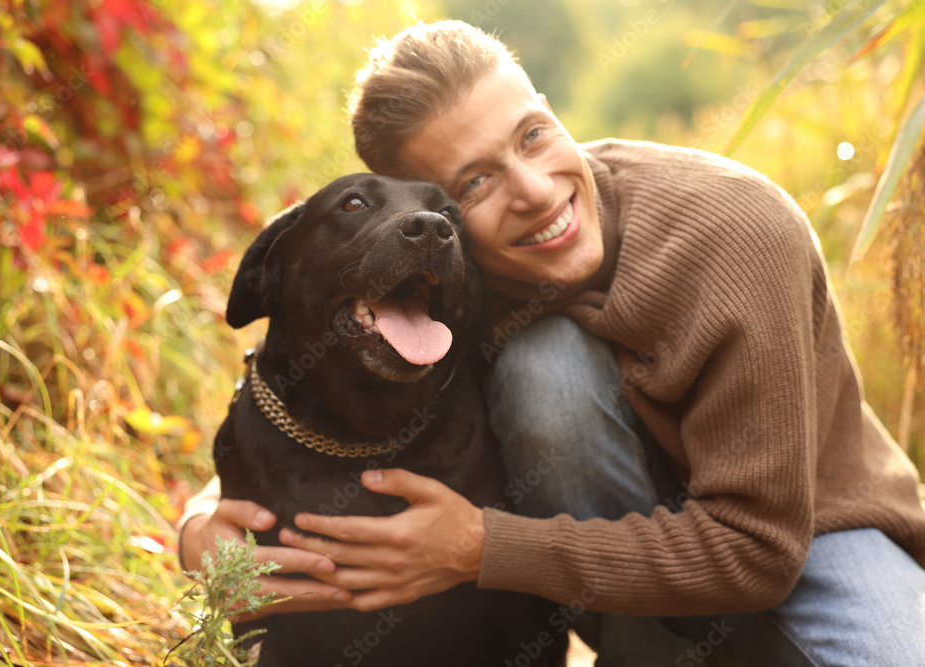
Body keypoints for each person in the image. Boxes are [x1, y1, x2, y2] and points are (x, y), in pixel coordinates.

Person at [178, 20, 925, 664]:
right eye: (472, 184)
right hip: (614, 553)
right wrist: (201, 522)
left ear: (550, 110)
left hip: (804, 526)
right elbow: (308, 401)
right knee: (549, 367)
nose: (535, 190)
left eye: (534, 134)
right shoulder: (449, 280)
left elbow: (757, 548)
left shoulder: (737, 234)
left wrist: (478, 545)